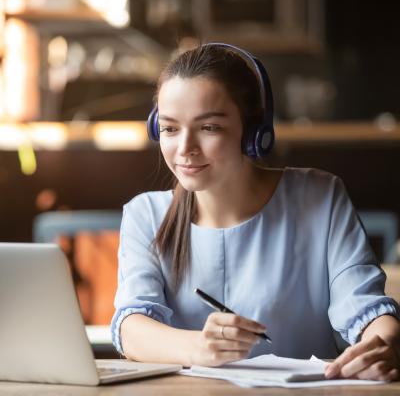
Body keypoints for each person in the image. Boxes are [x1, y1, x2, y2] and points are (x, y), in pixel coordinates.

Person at [111, 43, 400, 381]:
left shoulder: (319, 197)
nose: (185, 148)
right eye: (171, 128)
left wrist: (386, 342)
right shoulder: (145, 214)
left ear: (253, 132)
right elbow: (131, 328)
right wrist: (200, 348)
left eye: (209, 128)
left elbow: (365, 308)